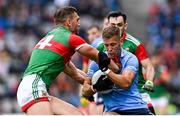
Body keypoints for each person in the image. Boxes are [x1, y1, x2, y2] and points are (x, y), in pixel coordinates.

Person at [16, 6, 118, 115]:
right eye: (77, 20)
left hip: (33, 87)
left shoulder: (52, 40)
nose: (79, 24)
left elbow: (76, 75)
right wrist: (117, 72)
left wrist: (95, 86)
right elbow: (99, 56)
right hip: (33, 86)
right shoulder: (70, 37)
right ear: (69, 22)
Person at [82, 26, 152, 115]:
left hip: (136, 108)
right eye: (106, 45)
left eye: (113, 44)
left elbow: (126, 83)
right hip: (113, 111)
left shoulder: (130, 58)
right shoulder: (96, 62)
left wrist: (106, 71)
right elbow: (84, 91)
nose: (109, 49)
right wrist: (94, 88)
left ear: (121, 42)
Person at [96, 11, 156, 114]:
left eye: (119, 25)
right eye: (113, 25)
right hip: (113, 93)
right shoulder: (101, 46)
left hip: (137, 92)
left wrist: (149, 81)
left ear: (125, 26)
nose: (116, 28)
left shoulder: (134, 44)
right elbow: (93, 71)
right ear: (107, 25)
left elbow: (149, 66)